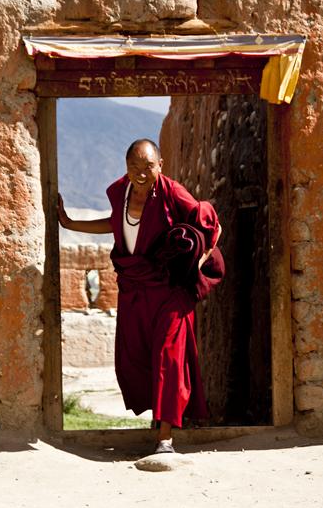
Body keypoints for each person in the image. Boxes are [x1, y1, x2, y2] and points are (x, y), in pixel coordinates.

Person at [58, 138, 222, 454]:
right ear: (126, 168)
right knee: (136, 359)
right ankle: (157, 420)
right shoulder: (122, 194)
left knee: (170, 358)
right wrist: (70, 223)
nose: (142, 173)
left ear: (160, 165)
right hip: (135, 289)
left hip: (170, 291)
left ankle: (165, 438)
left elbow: (211, 225)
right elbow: (116, 225)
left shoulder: (172, 192)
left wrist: (197, 263)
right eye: (135, 167)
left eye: (148, 166)